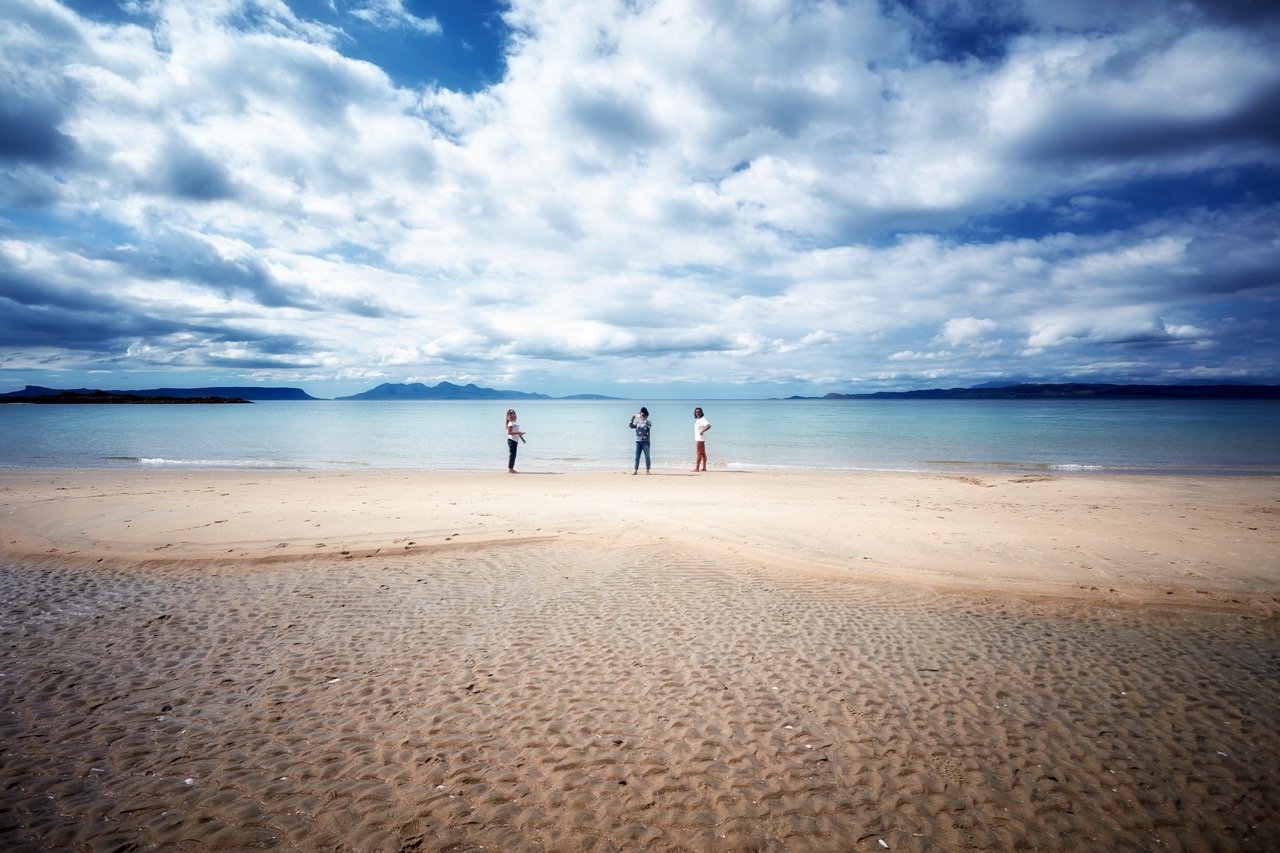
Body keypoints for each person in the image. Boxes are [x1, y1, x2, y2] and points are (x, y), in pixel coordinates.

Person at [629, 407, 652, 475]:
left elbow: (649, 426)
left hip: (646, 442)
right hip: (638, 442)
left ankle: (648, 471)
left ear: (646, 415)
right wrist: (632, 418)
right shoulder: (638, 423)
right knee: (637, 456)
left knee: (647, 456)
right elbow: (630, 426)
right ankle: (635, 470)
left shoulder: (649, 422)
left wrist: (644, 419)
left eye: (644, 415)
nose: (642, 416)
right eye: (641, 415)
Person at [692, 406, 711, 471]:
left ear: (701, 413)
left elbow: (709, 426)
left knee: (698, 452)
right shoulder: (699, 419)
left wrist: (702, 431)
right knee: (702, 453)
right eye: (696, 412)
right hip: (700, 438)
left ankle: (697, 468)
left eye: (699, 412)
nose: (697, 413)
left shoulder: (702, 419)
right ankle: (704, 468)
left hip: (700, 438)